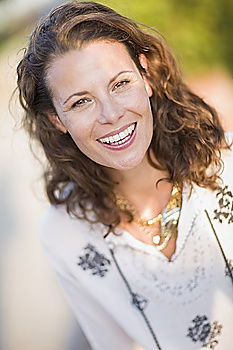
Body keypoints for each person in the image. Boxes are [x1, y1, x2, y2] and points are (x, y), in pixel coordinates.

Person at [16, 1, 233, 349]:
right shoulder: (63, 234)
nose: (112, 114)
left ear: (145, 75)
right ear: (56, 119)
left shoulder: (228, 164)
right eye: (80, 102)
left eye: (120, 83)